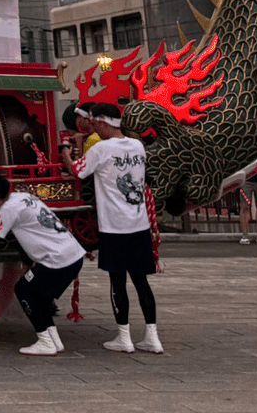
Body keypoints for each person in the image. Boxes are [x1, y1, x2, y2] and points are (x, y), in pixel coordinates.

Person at [61, 103, 161, 354]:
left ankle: (124, 337)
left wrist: (65, 151)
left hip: (114, 226)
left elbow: (77, 170)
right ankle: (152, 336)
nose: (93, 128)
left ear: (104, 122)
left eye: (95, 124)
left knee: (117, 281)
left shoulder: (103, 149)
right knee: (141, 282)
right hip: (139, 225)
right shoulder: (138, 146)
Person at [0, 170, 85, 356]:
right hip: (71, 255)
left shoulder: (9, 209)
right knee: (38, 297)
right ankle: (53, 340)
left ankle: (45, 342)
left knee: (23, 290)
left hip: (57, 260)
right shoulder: (23, 197)